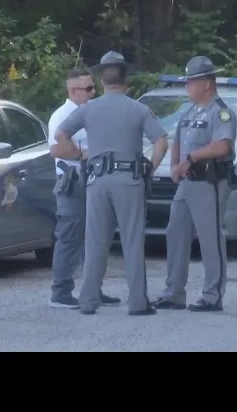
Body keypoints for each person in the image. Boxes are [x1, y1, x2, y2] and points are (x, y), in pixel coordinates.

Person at [53, 51, 168, 315]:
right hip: (129, 180)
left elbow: (60, 135)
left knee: (95, 242)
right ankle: (138, 303)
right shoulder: (139, 109)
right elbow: (161, 142)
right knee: (132, 242)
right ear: (125, 79)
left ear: (102, 81)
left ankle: (88, 301)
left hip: (97, 180)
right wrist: (150, 168)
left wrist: (83, 156)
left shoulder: (88, 109)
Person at [152, 56, 237, 312]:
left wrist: (190, 158)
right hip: (187, 182)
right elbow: (177, 140)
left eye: (192, 82)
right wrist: (175, 165)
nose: (187, 86)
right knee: (175, 233)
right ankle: (174, 293)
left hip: (209, 182)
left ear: (207, 84)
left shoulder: (220, 113)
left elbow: (223, 146)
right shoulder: (189, 111)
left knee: (210, 239)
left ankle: (212, 295)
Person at [47, 68, 120, 309]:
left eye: (93, 87)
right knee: (70, 237)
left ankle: (93, 289)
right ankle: (60, 292)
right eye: (87, 89)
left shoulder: (92, 112)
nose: (92, 92)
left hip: (94, 181)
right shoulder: (62, 116)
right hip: (73, 182)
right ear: (72, 91)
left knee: (96, 237)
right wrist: (86, 154)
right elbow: (57, 149)